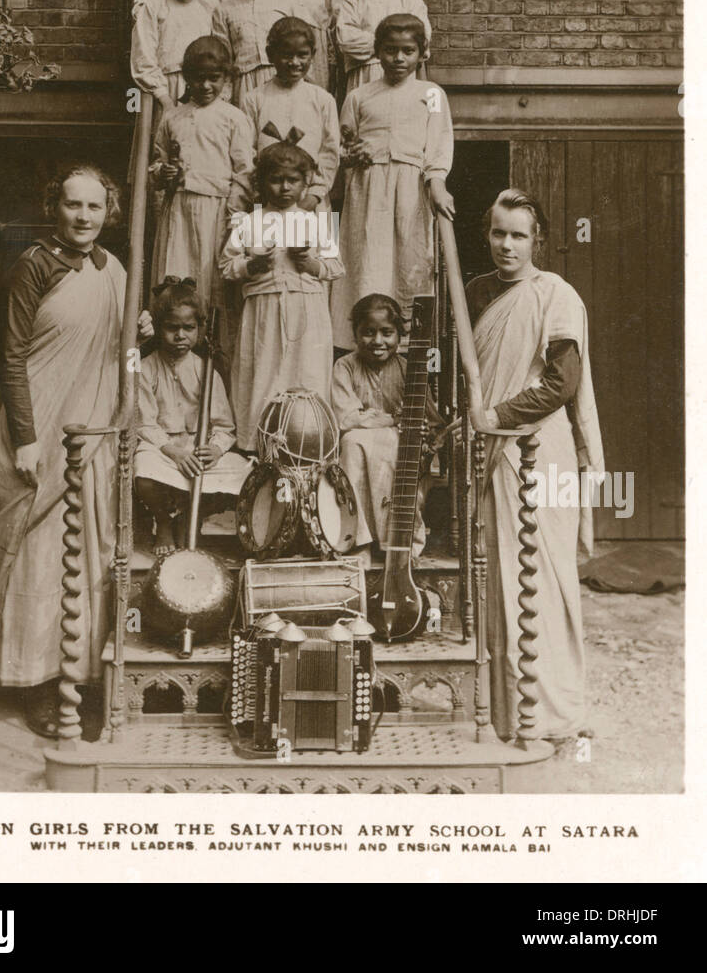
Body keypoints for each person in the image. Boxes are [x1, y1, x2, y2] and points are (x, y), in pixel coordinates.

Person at [0, 164, 127, 738]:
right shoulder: (36, 265)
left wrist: (136, 327)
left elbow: (115, 346)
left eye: (94, 207)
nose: (84, 217)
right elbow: (13, 356)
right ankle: (38, 683)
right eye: (73, 205)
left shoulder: (115, 269)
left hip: (93, 433)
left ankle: (83, 679)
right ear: (56, 207)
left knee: (91, 552)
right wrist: (26, 438)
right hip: (41, 432)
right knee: (40, 556)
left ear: (107, 212)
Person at [466, 189, 604, 744]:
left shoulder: (556, 295)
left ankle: (555, 713)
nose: (507, 245)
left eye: (518, 235)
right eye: (498, 232)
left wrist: (495, 414)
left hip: (538, 450)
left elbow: (560, 383)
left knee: (544, 577)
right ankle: (506, 712)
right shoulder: (474, 294)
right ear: (487, 235)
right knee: (498, 579)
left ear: (536, 240)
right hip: (488, 451)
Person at [330, 14, 454, 348]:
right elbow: (342, 145)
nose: (398, 58)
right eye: (390, 50)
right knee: (367, 258)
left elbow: (438, 144)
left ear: (421, 53)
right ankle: (361, 340)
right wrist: (350, 156)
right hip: (367, 189)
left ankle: (407, 345)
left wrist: (437, 182)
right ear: (378, 52)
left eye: (407, 51)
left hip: (410, 190)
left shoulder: (430, 93)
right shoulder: (359, 95)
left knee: (411, 260)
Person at [219, 142, 343, 452]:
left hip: (307, 311)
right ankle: (256, 446)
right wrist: (252, 265)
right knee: (263, 372)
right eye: (276, 179)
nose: (284, 187)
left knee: (307, 373)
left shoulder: (318, 221)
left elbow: (336, 267)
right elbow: (226, 266)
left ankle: (308, 444)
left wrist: (311, 264)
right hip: (263, 311)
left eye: (293, 180)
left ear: (305, 184)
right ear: (261, 182)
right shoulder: (248, 221)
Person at [134, 280, 248, 556]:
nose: (181, 336)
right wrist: (172, 451)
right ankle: (162, 521)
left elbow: (224, 425)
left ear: (199, 329)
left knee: (245, 475)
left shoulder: (207, 370)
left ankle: (188, 517)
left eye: (189, 328)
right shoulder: (145, 367)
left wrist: (216, 449)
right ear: (159, 329)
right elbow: (143, 422)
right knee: (142, 470)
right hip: (162, 449)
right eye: (172, 328)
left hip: (196, 450)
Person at [150, 37, 254, 328]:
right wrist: (162, 173)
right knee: (176, 274)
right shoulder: (172, 117)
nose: (206, 86)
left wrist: (232, 218)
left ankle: (210, 351)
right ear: (186, 78)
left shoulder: (234, 118)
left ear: (227, 78)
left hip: (216, 212)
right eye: (199, 78)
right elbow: (157, 160)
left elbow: (244, 171)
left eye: (214, 78)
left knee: (211, 282)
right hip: (179, 210)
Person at [332, 293, 442, 563]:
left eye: (387, 333)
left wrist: (427, 432)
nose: (378, 341)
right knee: (354, 442)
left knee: (394, 444)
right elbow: (347, 419)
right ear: (355, 334)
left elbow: (433, 421)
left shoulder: (409, 368)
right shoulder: (344, 366)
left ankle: (399, 542)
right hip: (356, 450)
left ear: (400, 335)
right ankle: (358, 542)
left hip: (399, 448)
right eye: (368, 333)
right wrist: (393, 419)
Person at [243, 17, 340, 211]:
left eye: (302, 55)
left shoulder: (322, 99)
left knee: (310, 241)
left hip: (310, 200)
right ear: (270, 55)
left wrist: (315, 194)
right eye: (286, 55)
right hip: (268, 197)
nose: (294, 62)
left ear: (312, 55)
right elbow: (246, 150)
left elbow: (330, 151)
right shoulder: (254, 99)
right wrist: (260, 191)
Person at [130, 0, 214, 108]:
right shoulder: (154, 8)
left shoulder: (210, 11)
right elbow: (143, 57)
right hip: (163, 92)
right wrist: (163, 98)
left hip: (201, 92)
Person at [211, 0, 289, 106]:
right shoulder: (224, 10)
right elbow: (224, 60)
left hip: (282, 78)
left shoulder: (286, 4)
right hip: (244, 84)